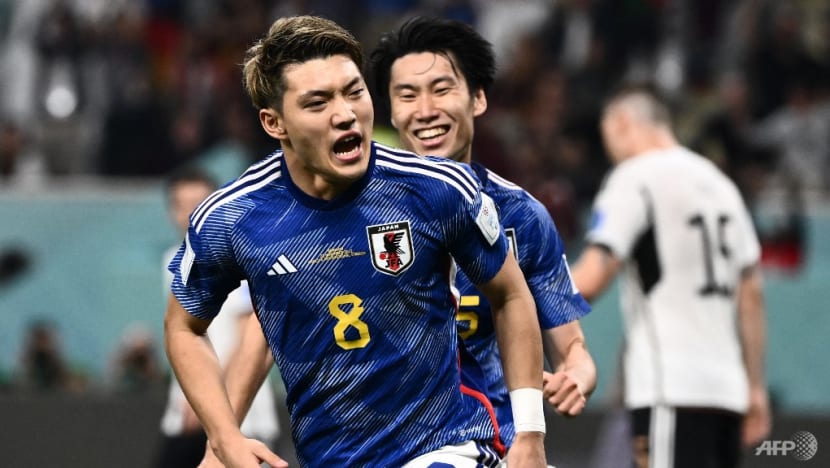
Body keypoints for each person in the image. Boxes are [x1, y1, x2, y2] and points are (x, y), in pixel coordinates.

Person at [164, 15, 547, 468]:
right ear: (274, 123)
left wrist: (530, 434)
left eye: (354, 91)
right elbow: (184, 327)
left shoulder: (436, 189)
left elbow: (509, 292)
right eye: (318, 102)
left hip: (444, 448)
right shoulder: (232, 218)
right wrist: (224, 438)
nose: (345, 114)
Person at [367, 16, 596, 447]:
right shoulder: (355, 214)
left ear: (478, 99)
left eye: (442, 89)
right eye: (407, 95)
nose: (426, 111)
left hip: (495, 444)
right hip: (381, 446)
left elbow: (573, 351)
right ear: (392, 112)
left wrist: (576, 376)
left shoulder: (522, 217)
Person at [570, 82, 771, 468]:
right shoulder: (721, 185)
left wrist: (521, 299)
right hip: (727, 394)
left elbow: (592, 278)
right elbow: (751, 294)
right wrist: (755, 387)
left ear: (622, 123)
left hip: (670, 389)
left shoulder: (635, 177)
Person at [155, 167, 279, 468]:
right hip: (190, 411)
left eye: (198, 204)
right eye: (181, 205)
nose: (189, 213)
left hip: (240, 417)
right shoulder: (173, 259)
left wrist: (207, 400)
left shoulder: (233, 256)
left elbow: (251, 335)